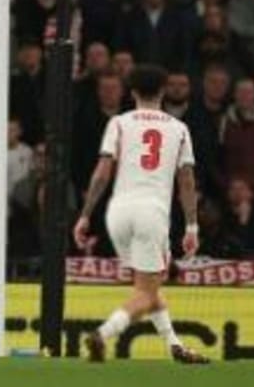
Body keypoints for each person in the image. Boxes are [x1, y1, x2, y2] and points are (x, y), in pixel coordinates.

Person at [72, 64, 207, 365]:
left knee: (148, 285)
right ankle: (102, 334)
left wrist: (84, 215)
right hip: (151, 214)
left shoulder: (119, 123)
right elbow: (186, 181)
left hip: (117, 213)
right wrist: (192, 226)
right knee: (146, 291)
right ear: (163, 92)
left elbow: (102, 173)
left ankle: (175, 346)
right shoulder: (178, 128)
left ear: (132, 92)